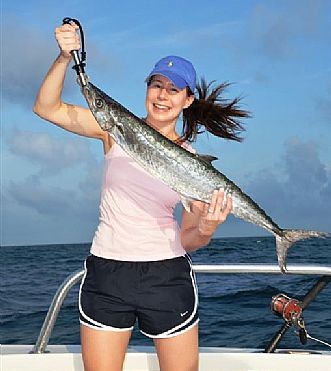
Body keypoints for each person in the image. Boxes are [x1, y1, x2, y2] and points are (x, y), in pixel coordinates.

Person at [33, 22, 249, 371]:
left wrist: (207, 229)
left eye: (174, 90)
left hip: (166, 275)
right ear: (147, 88)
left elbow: (190, 239)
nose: (163, 96)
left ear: (187, 100)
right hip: (107, 272)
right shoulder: (115, 130)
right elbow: (47, 108)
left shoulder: (193, 164)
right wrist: (62, 58)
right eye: (157, 85)